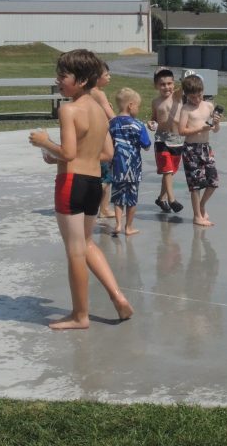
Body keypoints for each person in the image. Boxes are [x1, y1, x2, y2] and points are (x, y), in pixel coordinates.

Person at [29, 50, 134, 329]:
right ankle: (118, 296)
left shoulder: (69, 109)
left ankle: (80, 315)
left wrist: (43, 142)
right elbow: (108, 154)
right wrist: (61, 155)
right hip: (93, 184)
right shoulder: (100, 111)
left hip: (71, 183)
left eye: (63, 76)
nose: (58, 80)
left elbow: (69, 151)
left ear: (82, 79)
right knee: (86, 245)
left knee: (75, 251)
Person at [177, 74, 222, 226]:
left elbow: (215, 130)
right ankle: (197, 216)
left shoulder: (209, 106)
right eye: (193, 97)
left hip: (205, 147)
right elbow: (181, 131)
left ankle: (202, 205)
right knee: (195, 184)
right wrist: (198, 129)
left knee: (213, 181)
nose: (197, 99)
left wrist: (216, 123)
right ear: (186, 95)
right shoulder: (186, 109)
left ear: (203, 91)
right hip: (191, 149)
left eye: (199, 95)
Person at [108, 87, 152, 236]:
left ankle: (118, 224)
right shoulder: (138, 125)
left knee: (118, 196)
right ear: (131, 105)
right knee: (132, 197)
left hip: (116, 165)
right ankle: (129, 227)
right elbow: (146, 146)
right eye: (138, 106)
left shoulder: (111, 123)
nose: (138, 109)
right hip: (133, 166)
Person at [149, 67, 185, 214]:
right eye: (162, 84)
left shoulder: (176, 96)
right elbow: (154, 118)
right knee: (167, 169)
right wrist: (151, 123)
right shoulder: (156, 101)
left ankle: (160, 198)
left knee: (169, 172)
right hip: (161, 139)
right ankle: (172, 200)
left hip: (177, 140)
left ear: (174, 84)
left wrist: (186, 76)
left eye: (169, 83)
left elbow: (184, 87)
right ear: (156, 86)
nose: (166, 87)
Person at [89, 63, 116, 219]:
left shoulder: (87, 93)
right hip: (101, 138)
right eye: (107, 75)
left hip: (89, 138)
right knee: (105, 177)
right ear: (97, 78)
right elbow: (111, 116)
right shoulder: (99, 94)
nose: (109, 77)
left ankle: (96, 206)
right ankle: (104, 209)